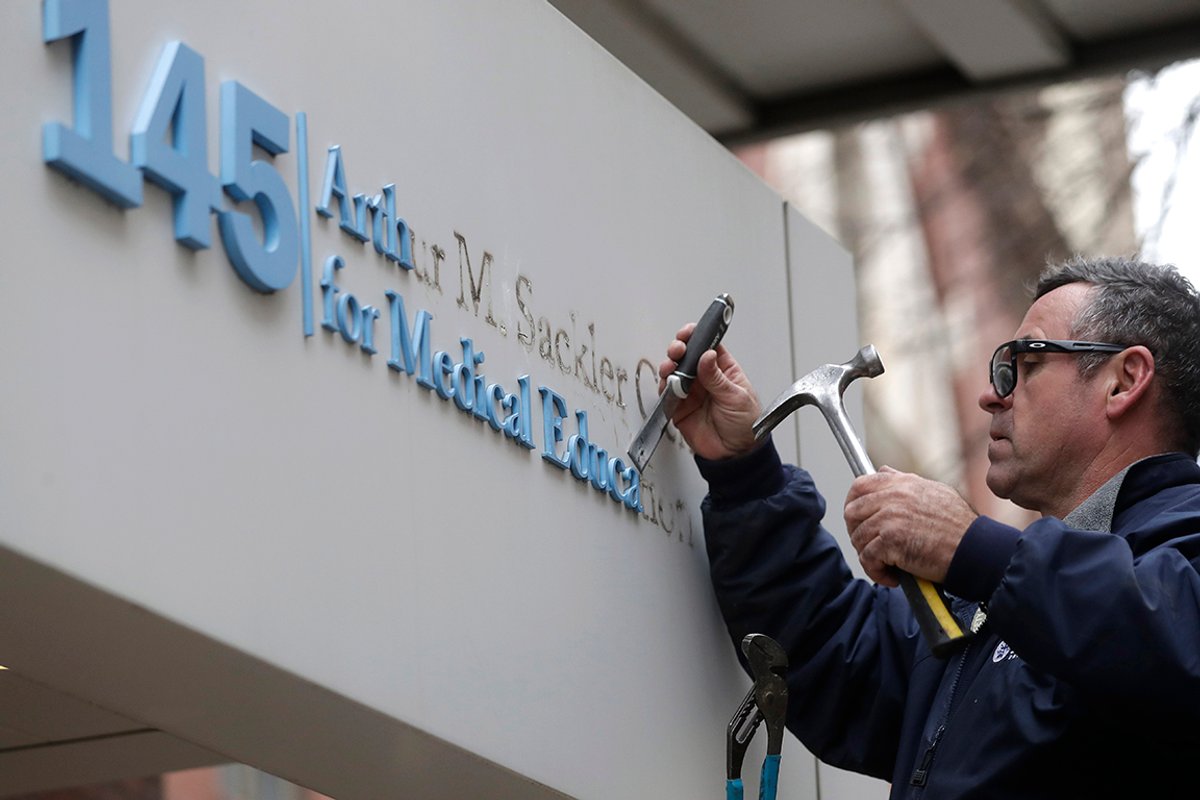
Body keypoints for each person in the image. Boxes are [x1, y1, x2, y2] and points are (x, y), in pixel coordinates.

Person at [661, 256, 1200, 798]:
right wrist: (745, 474)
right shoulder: (989, 606)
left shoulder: (1172, 555)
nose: (992, 394)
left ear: (1123, 381)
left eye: (1023, 363)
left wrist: (971, 549)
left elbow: (1170, 641)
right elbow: (832, 649)